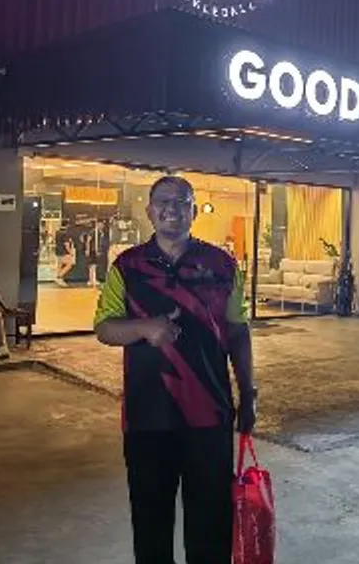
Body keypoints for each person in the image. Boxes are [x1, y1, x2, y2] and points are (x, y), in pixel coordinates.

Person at [93, 175, 257, 564]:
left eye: (182, 201)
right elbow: (104, 328)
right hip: (147, 416)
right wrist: (145, 328)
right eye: (163, 201)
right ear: (149, 211)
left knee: (210, 526)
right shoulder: (127, 266)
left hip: (210, 414)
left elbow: (238, 331)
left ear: (194, 211)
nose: (172, 208)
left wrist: (248, 392)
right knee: (151, 525)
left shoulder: (221, 264)